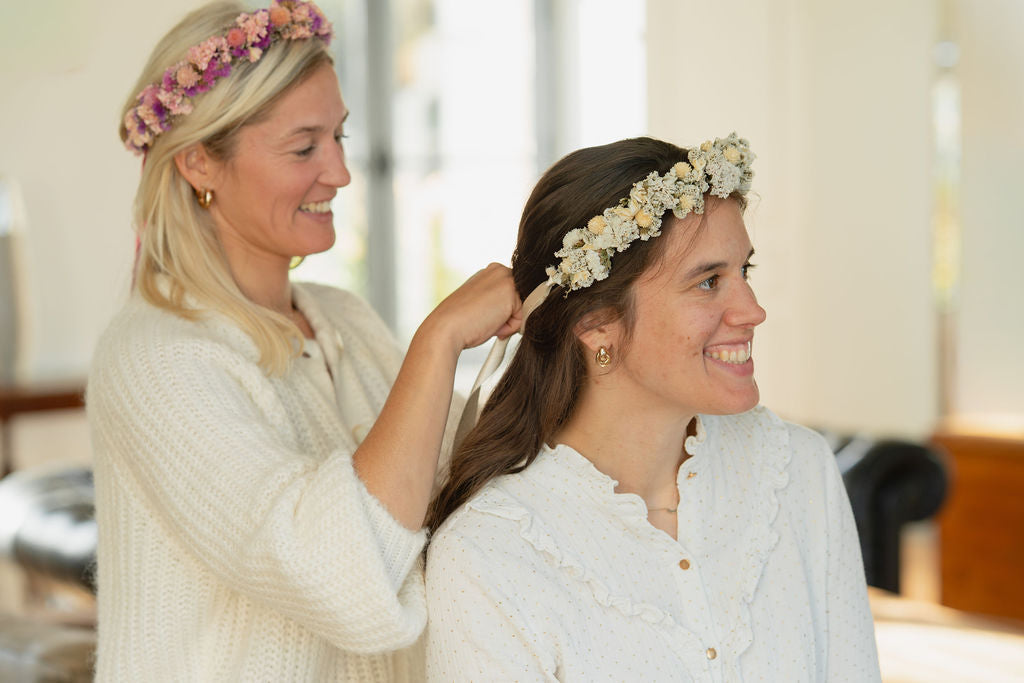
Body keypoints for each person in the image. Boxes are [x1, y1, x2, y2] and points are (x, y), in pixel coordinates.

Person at [87, 2, 519, 680]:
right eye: (304, 147)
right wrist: (439, 340)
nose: (341, 172)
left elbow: (463, 497)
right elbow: (329, 565)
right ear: (200, 161)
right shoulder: (154, 359)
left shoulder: (341, 319)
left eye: (340, 136)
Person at [424, 135, 882, 681]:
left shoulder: (797, 470)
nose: (753, 311)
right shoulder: (490, 554)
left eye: (745, 273)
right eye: (709, 282)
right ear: (596, 323)